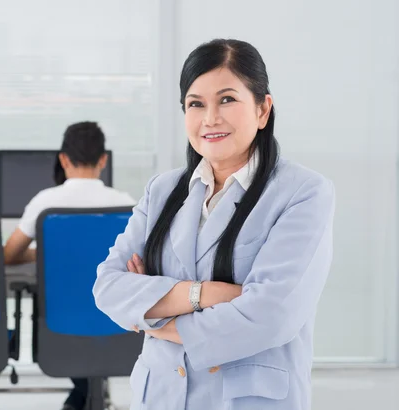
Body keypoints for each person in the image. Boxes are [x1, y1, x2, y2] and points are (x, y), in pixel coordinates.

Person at [93, 39, 335, 410]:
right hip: (159, 397)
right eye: (196, 104)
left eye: (227, 99)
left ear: (262, 109)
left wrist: (150, 319)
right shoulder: (163, 190)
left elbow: (270, 316)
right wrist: (204, 294)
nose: (210, 119)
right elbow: (108, 287)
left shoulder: (303, 193)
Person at [3, 121, 136, 410]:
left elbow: (9, 255)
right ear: (104, 159)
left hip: (60, 325)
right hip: (120, 327)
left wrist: (43, 253)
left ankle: (80, 398)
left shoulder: (45, 203)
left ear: (63, 159)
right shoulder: (127, 205)